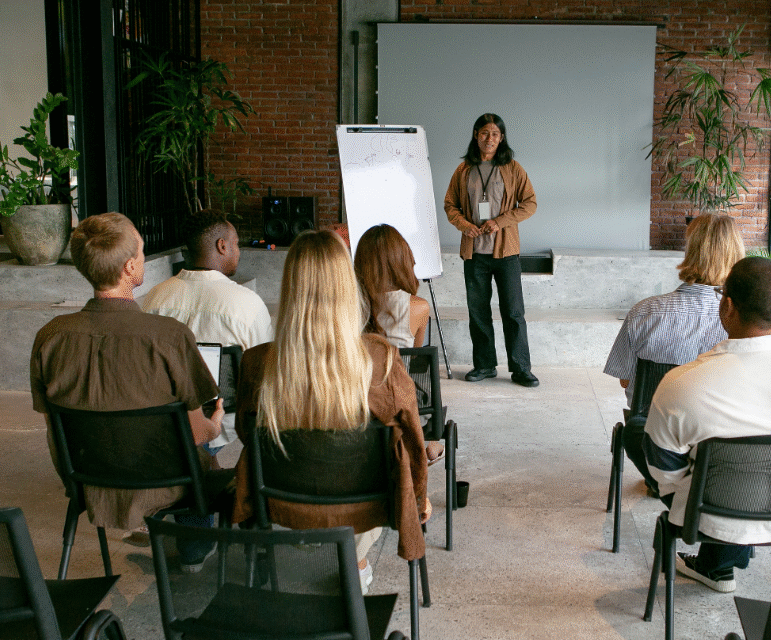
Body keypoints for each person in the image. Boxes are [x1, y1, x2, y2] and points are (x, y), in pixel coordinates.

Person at [230, 230, 432, 591]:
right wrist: (418, 499)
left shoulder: (257, 362)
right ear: (346, 286)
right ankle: (356, 563)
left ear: (289, 286)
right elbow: (412, 439)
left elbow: (248, 435)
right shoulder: (381, 359)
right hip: (364, 507)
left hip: (281, 502)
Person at [30, 212, 226, 572]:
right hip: (168, 483)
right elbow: (197, 434)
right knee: (210, 448)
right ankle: (195, 545)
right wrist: (214, 426)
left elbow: (54, 428)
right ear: (129, 267)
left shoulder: (50, 337)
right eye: (141, 248)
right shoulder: (169, 336)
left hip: (89, 482)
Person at [643, 257, 771, 593]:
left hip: (710, 517)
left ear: (726, 306)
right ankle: (720, 563)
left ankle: (719, 562)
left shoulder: (684, 383)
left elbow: (663, 471)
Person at [604, 213, 745, 495]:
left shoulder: (644, 312)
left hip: (655, 436)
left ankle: (664, 482)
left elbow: (625, 381)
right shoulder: (745, 320)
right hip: (722, 438)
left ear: (689, 251)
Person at [142, 208, 274, 454]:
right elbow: (265, 374)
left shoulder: (155, 297)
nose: (238, 252)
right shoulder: (246, 303)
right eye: (236, 244)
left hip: (166, 418)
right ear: (222, 246)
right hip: (226, 423)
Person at [444, 113, 539, 387]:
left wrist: (500, 221)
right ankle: (484, 366)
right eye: (485, 133)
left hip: (505, 253)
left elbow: (529, 203)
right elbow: (450, 205)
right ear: (476, 135)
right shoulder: (463, 170)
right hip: (475, 254)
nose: (490, 139)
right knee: (478, 312)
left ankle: (521, 368)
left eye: (495, 134)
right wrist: (463, 225)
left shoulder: (513, 168)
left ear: (502, 138)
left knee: (513, 312)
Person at [354, 224, 431, 349]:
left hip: (359, 369)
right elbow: (414, 356)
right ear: (403, 259)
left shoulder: (349, 305)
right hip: (398, 368)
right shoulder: (420, 307)